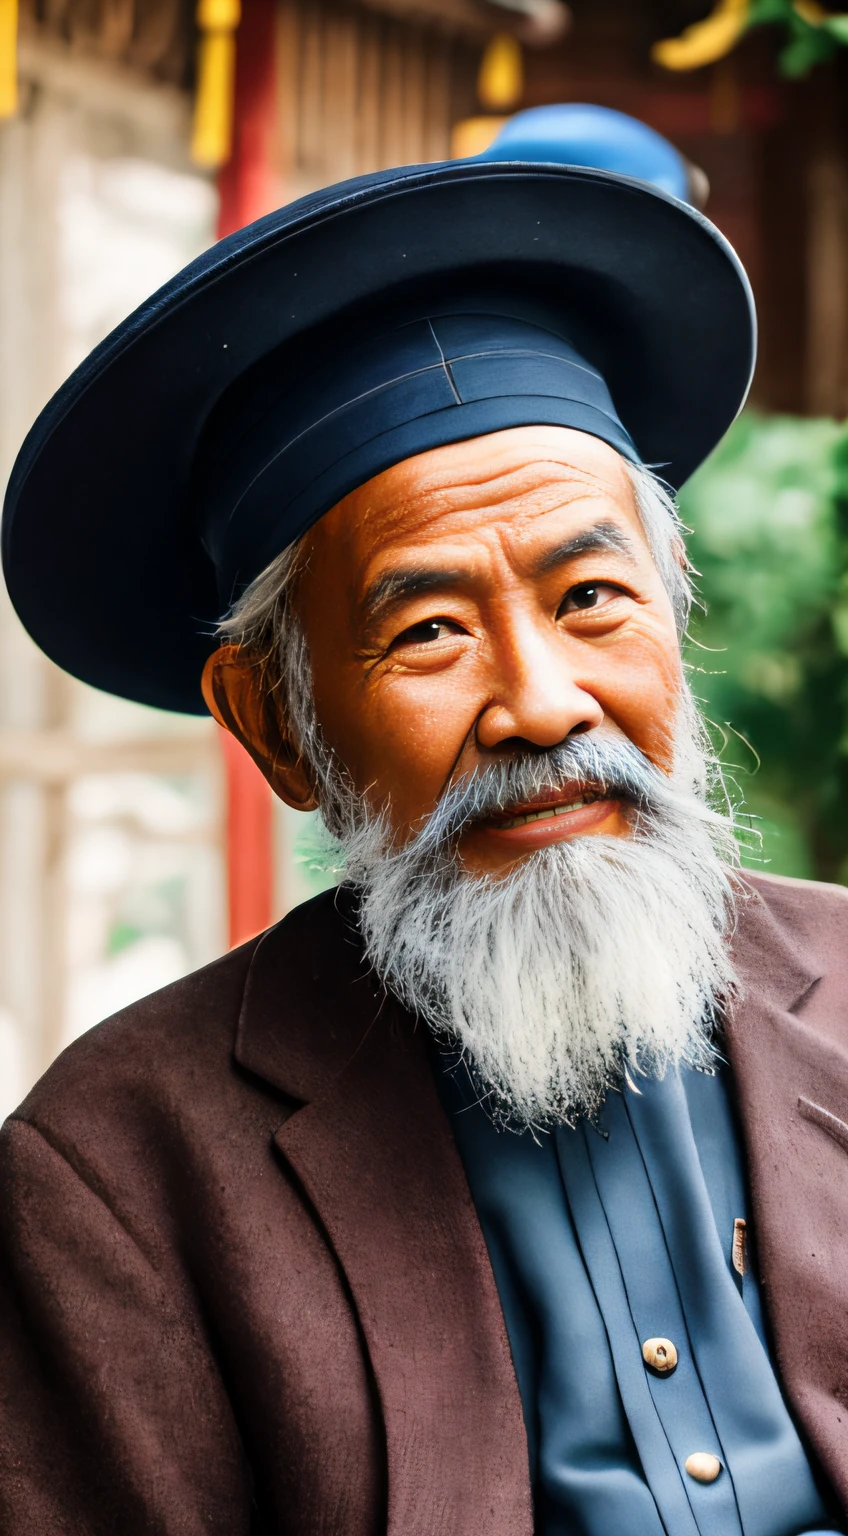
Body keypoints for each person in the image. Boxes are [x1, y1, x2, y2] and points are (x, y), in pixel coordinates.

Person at [1, 124, 846, 1536]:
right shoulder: (118, 1186)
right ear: (276, 725)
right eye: (432, 630)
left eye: (592, 600)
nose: (539, 703)